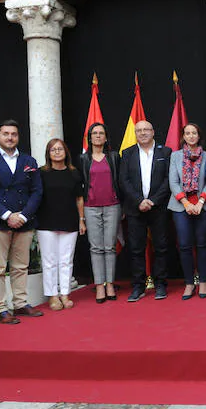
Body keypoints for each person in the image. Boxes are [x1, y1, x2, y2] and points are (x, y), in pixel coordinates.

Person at [0, 119, 44, 324]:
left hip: (24, 221)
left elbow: (37, 191)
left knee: (20, 266)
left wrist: (23, 216)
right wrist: (7, 215)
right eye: (6, 134)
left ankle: (20, 303)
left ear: (18, 137)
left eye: (13, 134)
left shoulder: (29, 161)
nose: (10, 137)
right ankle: (0, 308)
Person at [120, 120, 172, 302]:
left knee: (161, 247)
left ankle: (160, 285)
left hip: (158, 208)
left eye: (146, 130)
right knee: (136, 249)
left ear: (153, 131)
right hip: (135, 209)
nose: (142, 133)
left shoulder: (165, 152)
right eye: (139, 130)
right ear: (135, 133)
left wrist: (153, 201)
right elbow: (123, 181)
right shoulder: (127, 154)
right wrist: (139, 201)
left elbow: (168, 179)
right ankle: (138, 286)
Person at [168, 123, 206, 300]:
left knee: (202, 244)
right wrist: (186, 203)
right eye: (187, 133)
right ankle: (189, 283)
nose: (191, 136)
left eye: (194, 133)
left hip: (204, 204)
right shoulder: (175, 156)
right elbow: (173, 182)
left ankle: (202, 281)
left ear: (199, 135)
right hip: (181, 205)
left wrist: (201, 200)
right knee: (185, 245)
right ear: (183, 136)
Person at [36, 139, 85, 311]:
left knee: (66, 260)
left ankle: (65, 293)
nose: (57, 152)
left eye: (60, 149)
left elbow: (79, 198)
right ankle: (52, 296)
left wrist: (81, 220)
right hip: (46, 222)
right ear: (48, 154)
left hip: (69, 221)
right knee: (49, 261)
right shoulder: (41, 173)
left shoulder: (74, 173)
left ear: (66, 152)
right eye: (53, 150)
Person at [79, 122, 121, 303]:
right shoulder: (83, 159)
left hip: (113, 205)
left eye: (101, 133)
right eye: (94, 133)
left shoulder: (113, 156)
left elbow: (120, 181)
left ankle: (110, 284)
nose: (97, 136)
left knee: (109, 246)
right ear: (90, 137)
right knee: (96, 248)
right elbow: (80, 186)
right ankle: (99, 286)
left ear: (105, 137)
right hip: (91, 207)